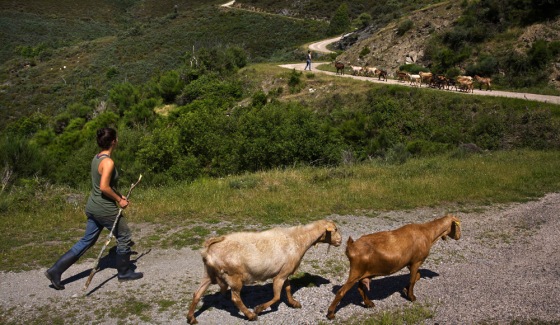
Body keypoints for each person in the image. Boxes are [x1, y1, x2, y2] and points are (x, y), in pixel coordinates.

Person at [45, 128, 143, 290]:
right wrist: (119, 200)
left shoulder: (97, 158)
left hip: (93, 206)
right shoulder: (108, 162)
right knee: (124, 235)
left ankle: (56, 270)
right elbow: (104, 187)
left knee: (87, 240)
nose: (117, 140)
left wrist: (119, 196)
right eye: (116, 138)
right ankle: (124, 272)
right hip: (104, 208)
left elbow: (103, 185)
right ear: (113, 141)